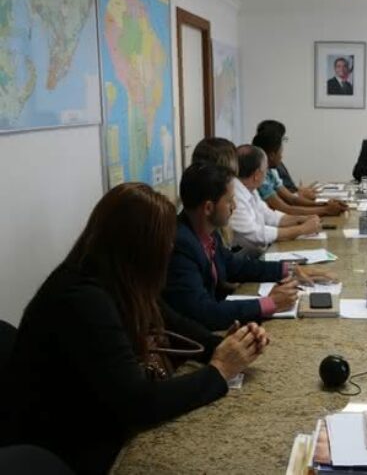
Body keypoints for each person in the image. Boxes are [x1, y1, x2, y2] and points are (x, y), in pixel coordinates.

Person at [0, 183, 270, 474]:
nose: (170, 250)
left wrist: (225, 345)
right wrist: (218, 371)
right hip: (67, 449)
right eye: (164, 243)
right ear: (139, 247)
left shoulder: (114, 276)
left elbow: (172, 321)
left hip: (95, 425)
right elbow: (139, 403)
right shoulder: (82, 299)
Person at [163, 162, 334, 330]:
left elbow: (234, 266)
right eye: (229, 201)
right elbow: (204, 312)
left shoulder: (205, 230)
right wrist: (269, 303)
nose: (234, 206)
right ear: (208, 208)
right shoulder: (181, 246)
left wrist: (289, 269)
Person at [230, 145, 321, 255]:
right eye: (265, 170)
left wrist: (302, 219)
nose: (266, 174)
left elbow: (270, 216)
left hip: (256, 252)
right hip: (244, 258)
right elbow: (256, 234)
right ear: (257, 175)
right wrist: (301, 229)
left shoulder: (250, 189)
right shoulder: (234, 195)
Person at [253, 130, 347, 217]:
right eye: (280, 153)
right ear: (272, 156)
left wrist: (324, 204)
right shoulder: (261, 178)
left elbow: (292, 199)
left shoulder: (271, 171)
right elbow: (286, 209)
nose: (282, 157)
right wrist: (326, 210)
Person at [256, 120, 316, 199]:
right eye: (282, 139)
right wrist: (298, 194)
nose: (282, 145)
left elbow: (287, 190)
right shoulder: (264, 168)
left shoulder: (273, 167)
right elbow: (281, 200)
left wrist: (298, 190)